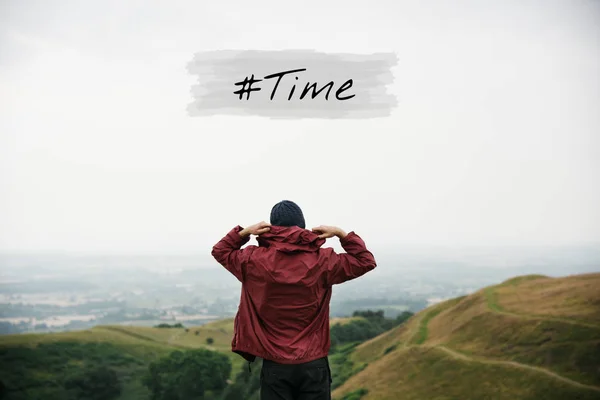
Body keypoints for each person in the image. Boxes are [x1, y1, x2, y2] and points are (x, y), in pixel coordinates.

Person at [211, 200, 377, 400]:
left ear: (270, 227)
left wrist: (245, 232)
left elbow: (220, 251)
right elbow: (365, 261)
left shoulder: (252, 260)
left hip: (275, 365)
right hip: (314, 363)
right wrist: (341, 234)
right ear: (302, 225)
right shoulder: (323, 260)